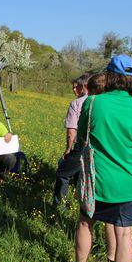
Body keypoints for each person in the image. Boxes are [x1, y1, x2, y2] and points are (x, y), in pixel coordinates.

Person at [75, 55, 132, 262]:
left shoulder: (94, 102)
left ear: (110, 75)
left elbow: (82, 135)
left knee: (86, 223)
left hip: (99, 180)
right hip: (131, 180)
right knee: (125, 235)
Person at [53, 73, 90, 206]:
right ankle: (80, 202)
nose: (74, 90)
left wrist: (68, 150)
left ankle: (58, 205)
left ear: (84, 86)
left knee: (63, 173)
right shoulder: (101, 101)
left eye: (77, 87)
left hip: (81, 145)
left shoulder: (76, 103)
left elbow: (71, 130)